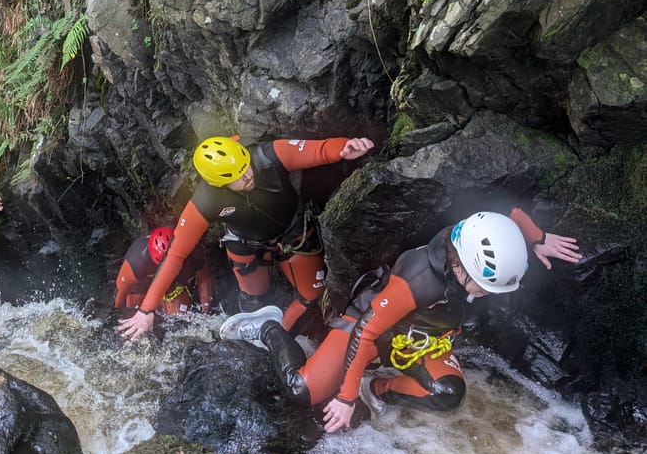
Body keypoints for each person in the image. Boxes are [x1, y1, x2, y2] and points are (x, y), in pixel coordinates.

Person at [218, 209, 582, 433]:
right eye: (483, 286)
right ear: (461, 265)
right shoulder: (419, 279)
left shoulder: (486, 245)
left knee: (447, 394)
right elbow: (366, 331)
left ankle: (375, 390)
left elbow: (513, 217)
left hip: (420, 334)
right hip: (371, 324)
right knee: (303, 390)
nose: (485, 293)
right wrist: (344, 399)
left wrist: (538, 240)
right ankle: (268, 327)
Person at [118, 135, 375, 340]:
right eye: (237, 177)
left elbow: (317, 150)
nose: (248, 175)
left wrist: (343, 147)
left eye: (245, 168)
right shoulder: (207, 201)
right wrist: (146, 309)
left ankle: (275, 336)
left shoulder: (266, 156)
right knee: (253, 299)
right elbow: (176, 255)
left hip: (293, 234)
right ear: (219, 183)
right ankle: (249, 328)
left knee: (312, 296)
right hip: (246, 245)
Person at [114, 226, 215, 317]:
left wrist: (205, 312)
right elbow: (121, 293)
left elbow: (205, 279)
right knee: (134, 314)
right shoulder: (136, 263)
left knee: (180, 317)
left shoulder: (192, 251)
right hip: (143, 282)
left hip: (175, 279)